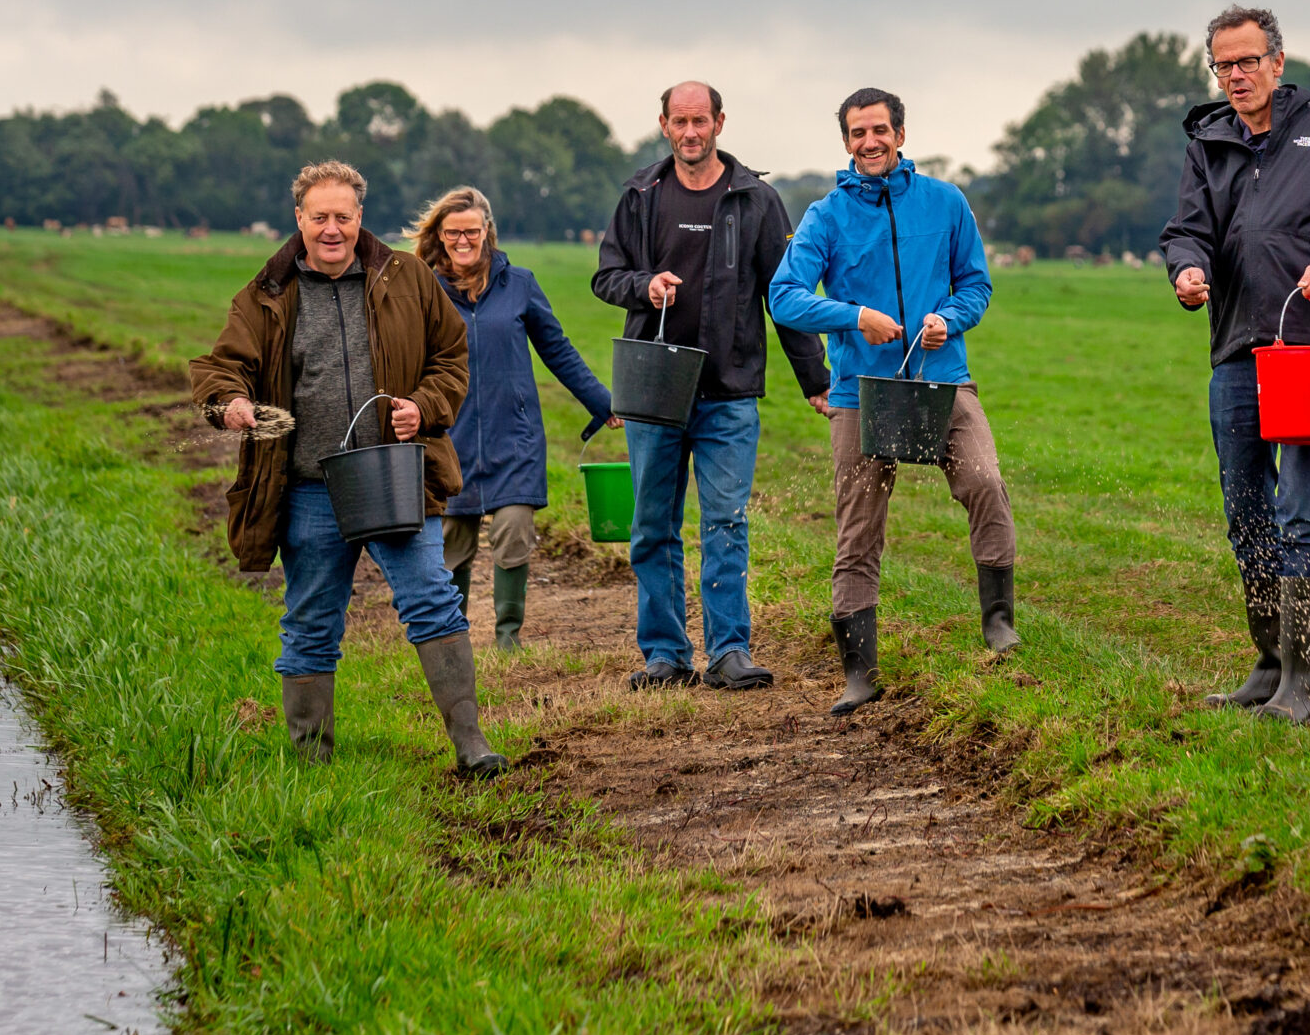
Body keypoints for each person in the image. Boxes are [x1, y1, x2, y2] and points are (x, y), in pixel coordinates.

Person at [188, 160, 508, 776]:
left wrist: (424, 406)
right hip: (308, 487)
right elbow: (219, 367)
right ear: (300, 220)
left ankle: (472, 746)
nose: (331, 228)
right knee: (310, 620)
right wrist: (229, 402)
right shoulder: (265, 295)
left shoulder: (409, 278)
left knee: (433, 600)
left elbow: (451, 358)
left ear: (359, 218)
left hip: (393, 476)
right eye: (319, 217)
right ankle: (313, 764)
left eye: (342, 216)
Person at [1159, 5, 1310, 728]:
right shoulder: (1208, 144)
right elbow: (1186, 231)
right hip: (1236, 350)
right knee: (1247, 513)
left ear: (1278, 60)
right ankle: (1267, 664)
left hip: (1308, 355)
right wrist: (1186, 271)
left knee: (1301, 510)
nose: (1235, 75)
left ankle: (1303, 682)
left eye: (1247, 60)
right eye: (1223, 65)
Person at [769, 87, 1019, 718]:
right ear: (847, 142)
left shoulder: (946, 202)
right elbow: (785, 297)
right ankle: (859, 671)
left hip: (943, 378)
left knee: (986, 482)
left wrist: (947, 320)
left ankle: (999, 621)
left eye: (879, 130)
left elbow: (976, 285)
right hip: (860, 392)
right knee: (857, 530)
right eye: (857, 133)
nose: (869, 142)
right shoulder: (825, 216)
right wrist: (854, 318)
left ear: (901, 135)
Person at [593, 81, 832, 691]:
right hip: (654, 388)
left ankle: (730, 651)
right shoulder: (640, 196)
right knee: (653, 525)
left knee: (725, 522)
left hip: (728, 391)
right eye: (680, 121)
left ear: (720, 122)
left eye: (701, 120)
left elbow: (785, 297)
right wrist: (644, 286)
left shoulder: (755, 200)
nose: (691, 131)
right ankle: (666, 655)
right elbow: (607, 276)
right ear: (664, 126)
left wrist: (815, 379)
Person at [412, 184, 616, 654]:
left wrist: (602, 403)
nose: (463, 241)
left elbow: (558, 351)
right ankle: (452, 640)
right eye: (453, 232)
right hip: (449, 437)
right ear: (440, 236)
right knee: (452, 543)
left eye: (472, 231)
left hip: (515, 437)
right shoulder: (422, 289)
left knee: (513, 532)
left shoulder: (519, 284)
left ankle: (508, 639)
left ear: (488, 232)